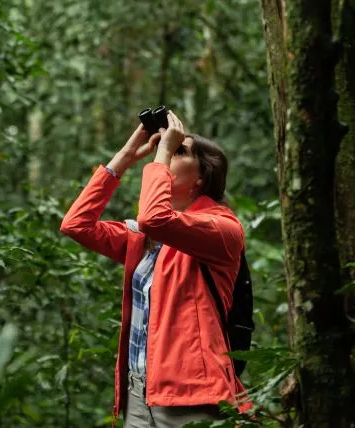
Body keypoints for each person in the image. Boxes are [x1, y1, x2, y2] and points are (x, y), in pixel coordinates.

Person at [59, 110, 249, 427]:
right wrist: (126, 156)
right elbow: (76, 225)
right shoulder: (146, 239)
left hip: (190, 393)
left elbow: (154, 218)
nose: (168, 151)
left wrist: (161, 154)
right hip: (139, 391)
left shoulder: (222, 229)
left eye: (180, 150)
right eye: (169, 149)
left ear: (201, 177)